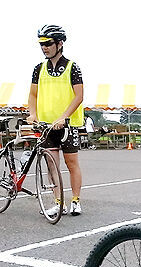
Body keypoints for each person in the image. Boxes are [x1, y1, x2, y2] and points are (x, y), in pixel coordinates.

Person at [27, 24, 84, 216]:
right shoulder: (39, 68)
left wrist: (64, 116)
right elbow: (33, 95)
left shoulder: (72, 67)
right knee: (52, 165)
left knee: (71, 163)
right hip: (46, 125)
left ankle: (75, 200)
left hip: (67, 125)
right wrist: (33, 114)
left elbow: (79, 96)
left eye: (48, 43)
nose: (44, 47)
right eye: (41, 44)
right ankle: (58, 202)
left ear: (60, 44)